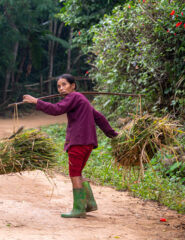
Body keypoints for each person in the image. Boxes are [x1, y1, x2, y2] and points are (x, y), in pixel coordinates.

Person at [22, 73, 118, 218]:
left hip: (78, 142)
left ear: (73, 86)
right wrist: (113, 135)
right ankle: (89, 204)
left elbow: (56, 110)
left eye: (64, 85)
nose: (61, 88)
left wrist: (37, 101)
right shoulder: (81, 98)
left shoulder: (73, 97)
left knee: (74, 174)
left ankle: (78, 209)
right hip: (88, 143)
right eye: (59, 86)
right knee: (78, 172)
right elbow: (99, 117)